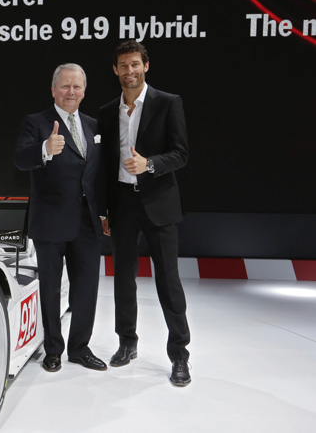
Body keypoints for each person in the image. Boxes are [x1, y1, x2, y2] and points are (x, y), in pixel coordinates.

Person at [99, 40, 191, 386]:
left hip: (158, 203)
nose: (130, 71)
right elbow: (105, 166)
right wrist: (104, 211)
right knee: (123, 278)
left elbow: (181, 154)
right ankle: (127, 343)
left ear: (146, 66)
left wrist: (148, 164)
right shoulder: (108, 111)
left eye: (135, 64)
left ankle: (179, 355)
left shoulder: (168, 103)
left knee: (168, 281)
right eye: (123, 65)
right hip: (122, 203)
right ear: (115, 70)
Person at [15, 63, 108, 373]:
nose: (71, 91)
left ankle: (80, 348)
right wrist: (44, 148)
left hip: (88, 223)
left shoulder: (94, 126)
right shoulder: (36, 122)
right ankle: (53, 349)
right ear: (53, 90)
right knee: (51, 290)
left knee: (87, 289)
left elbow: (99, 175)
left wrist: (105, 213)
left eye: (76, 86)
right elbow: (20, 159)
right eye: (65, 86)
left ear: (84, 91)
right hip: (50, 221)